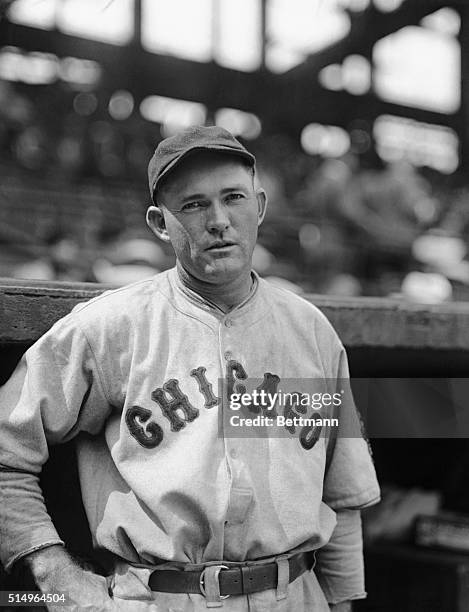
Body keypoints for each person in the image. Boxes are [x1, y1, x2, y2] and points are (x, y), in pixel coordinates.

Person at [0, 126, 380, 611]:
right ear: (160, 223)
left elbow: (341, 493)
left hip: (295, 595)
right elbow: (6, 450)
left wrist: (343, 602)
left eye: (233, 198)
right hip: (161, 597)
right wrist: (56, 575)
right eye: (194, 205)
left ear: (259, 207)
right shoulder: (111, 327)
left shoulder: (311, 331)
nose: (219, 220)